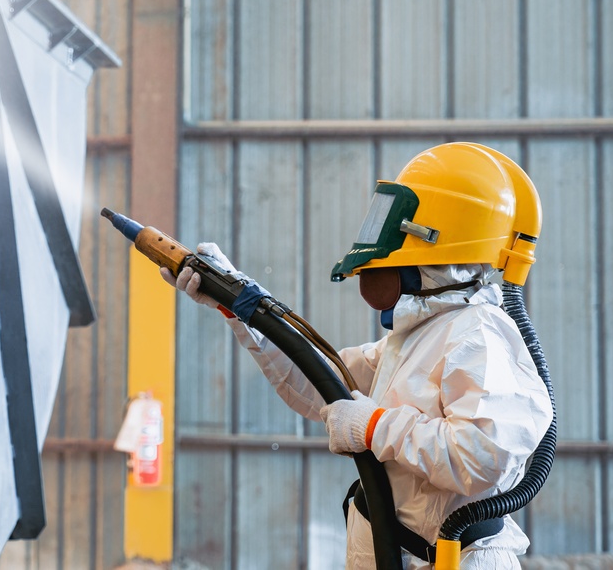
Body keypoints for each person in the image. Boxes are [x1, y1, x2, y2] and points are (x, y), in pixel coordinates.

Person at [162, 142, 553, 569]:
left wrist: (374, 426)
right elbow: (320, 384)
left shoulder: (478, 334)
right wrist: (240, 305)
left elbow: (482, 455)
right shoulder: (423, 334)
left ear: (431, 236)